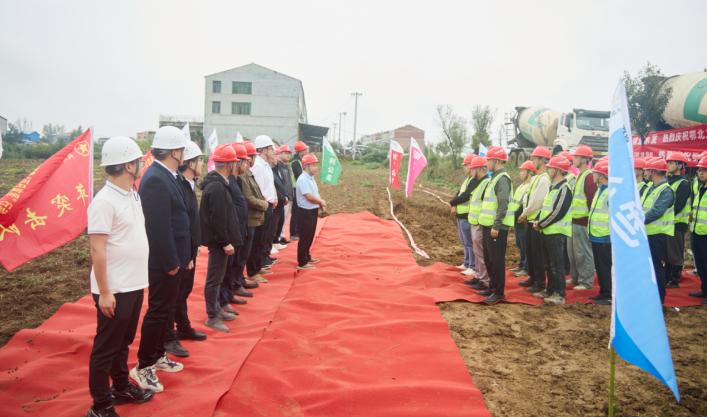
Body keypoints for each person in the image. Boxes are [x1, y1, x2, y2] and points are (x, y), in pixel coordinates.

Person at [86, 137, 154, 417]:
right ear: (128, 166)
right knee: (106, 347)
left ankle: (122, 386)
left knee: (123, 341)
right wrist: (105, 292)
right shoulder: (104, 202)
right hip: (114, 288)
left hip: (134, 283)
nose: (141, 165)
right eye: (138, 161)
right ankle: (100, 405)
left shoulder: (131, 194)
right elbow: (97, 249)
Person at [131, 126, 189, 393]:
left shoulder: (167, 175)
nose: (184, 154)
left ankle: (156, 355)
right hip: (164, 262)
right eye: (182, 149)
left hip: (173, 258)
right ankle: (144, 365)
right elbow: (157, 227)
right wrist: (170, 262)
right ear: (174, 151)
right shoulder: (156, 178)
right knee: (158, 311)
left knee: (165, 311)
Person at [164, 141, 207, 359]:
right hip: (180, 250)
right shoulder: (179, 186)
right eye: (200, 161)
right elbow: (180, 223)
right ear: (190, 163)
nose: (202, 165)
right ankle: (168, 336)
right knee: (174, 294)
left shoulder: (190, 184)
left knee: (184, 291)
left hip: (189, 248)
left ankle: (183, 326)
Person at [199, 144, 243, 332]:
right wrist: (225, 242)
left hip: (221, 241)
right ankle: (212, 315)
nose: (236, 165)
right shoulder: (217, 187)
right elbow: (217, 218)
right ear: (229, 165)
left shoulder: (220, 183)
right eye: (235, 162)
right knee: (214, 279)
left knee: (219, 277)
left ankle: (217, 308)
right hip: (219, 242)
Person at [533, 156, 573, 305]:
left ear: (557, 170)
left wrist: (541, 224)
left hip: (556, 232)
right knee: (549, 264)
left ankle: (559, 294)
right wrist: (539, 221)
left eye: (551, 168)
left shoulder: (564, 188)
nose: (548, 169)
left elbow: (558, 212)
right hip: (547, 231)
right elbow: (546, 208)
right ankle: (550, 290)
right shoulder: (553, 187)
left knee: (557, 265)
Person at [219, 143, 253, 315]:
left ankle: (230, 292)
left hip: (239, 229)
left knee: (235, 264)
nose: (248, 164)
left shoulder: (237, 180)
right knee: (225, 270)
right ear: (235, 163)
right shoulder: (227, 182)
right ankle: (223, 299)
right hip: (231, 233)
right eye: (245, 161)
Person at [477, 146, 513, 305]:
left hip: (496, 228)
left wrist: (496, 226)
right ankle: (492, 287)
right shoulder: (494, 178)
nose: (487, 163)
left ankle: (498, 292)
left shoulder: (502, 179)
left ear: (497, 161)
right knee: (489, 259)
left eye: (489, 160)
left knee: (497, 261)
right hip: (488, 226)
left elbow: (503, 204)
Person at [641, 157, 675, 304]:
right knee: (648, 268)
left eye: (647, 170)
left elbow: (657, 211)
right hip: (647, 233)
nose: (645, 173)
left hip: (658, 235)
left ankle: (659, 300)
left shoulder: (666, 191)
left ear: (654, 172)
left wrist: (638, 220)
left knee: (657, 268)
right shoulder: (650, 187)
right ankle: (649, 297)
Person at [518, 146, 552, 292]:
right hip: (530, 220)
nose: (532, 161)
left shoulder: (544, 179)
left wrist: (524, 213)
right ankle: (532, 277)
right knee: (530, 252)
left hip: (536, 221)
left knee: (537, 254)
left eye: (534, 159)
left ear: (542, 160)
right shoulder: (537, 178)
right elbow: (528, 197)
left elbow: (537, 201)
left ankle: (539, 282)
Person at [567, 145, 597, 290]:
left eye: (577, 156)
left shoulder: (589, 177)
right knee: (573, 253)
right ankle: (575, 277)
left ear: (585, 159)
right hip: (574, 221)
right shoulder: (580, 175)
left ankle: (586, 281)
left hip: (583, 222)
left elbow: (592, 201)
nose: (574, 159)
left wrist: (589, 222)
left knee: (583, 253)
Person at [241, 141, 271, 283]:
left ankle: (256, 268)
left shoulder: (249, 173)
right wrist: (264, 204)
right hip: (251, 217)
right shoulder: (243, 176)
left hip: (257, 215)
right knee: (250, 248)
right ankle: (252, 272)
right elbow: (248, 198)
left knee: (258, 243)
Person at [249, 135, 278, 275]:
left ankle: (260, 263)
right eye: (271, 148)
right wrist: (266, 202)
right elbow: (258, 189)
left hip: (269, 205)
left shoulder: (266, 165)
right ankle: (255, 268)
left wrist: (274, 198)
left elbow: (269, 185)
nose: (273, 151)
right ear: (264, 149)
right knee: (259, 239)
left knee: (265, 236)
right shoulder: (258, 166)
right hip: (263, 207)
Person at [295, 154, 326, 270]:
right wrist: (321, 201)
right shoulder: (303, 179)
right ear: (306, 166)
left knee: (310, 236)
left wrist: (319, 203)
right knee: (305, 237)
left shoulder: (310, 178)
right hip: (305, 212)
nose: (316, 167)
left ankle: (307, 256)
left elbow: (314, 194)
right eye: (314, 165)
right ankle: (302, 262)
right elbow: (308, 196)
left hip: (311, 210)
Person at [449, 153, 478, 277]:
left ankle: (472, 266)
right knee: (464, 241)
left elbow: (465, 196)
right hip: (460, 215)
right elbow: (459, 193)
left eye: (465, 165)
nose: (464, 167)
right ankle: (466, 263)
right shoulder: (467, 180)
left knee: (469, 242)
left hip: (467, 215)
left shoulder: (474, 180)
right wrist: (454, 204)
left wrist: (452, 202)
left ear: (471, 166)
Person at [665, 152, 691, 288]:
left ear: (680, 165)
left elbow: (678, 206)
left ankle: (674, 279)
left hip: (677, 223)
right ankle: (667, 277)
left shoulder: (683, 184)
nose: (668, 165)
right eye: (668, 162)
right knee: (668, 253)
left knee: (675, 253)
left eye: (671, 163)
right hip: (667, 223)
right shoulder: (668, 181)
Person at [587, 160, 611, 305]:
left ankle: (608, 294)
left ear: (601, 175)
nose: (593, 176)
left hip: (605, 237)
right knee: (600, 267)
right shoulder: (600, 190)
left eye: (595, 173)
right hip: (596, 235)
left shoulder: (610, 192)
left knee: (605, 267)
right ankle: (603, 292)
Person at [465, 156, 491, 291]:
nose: (471, 171)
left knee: (481, 253)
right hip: (475, 222)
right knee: (477, 252)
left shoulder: (486, 183)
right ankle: (479, 276)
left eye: (473, 168)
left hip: (480, 223)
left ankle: (484, 280)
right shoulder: (479, 182)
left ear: (479, 169)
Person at [507, 160, 536, 277]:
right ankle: (521, 264)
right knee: (519, 243)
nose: (520, 173)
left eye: (523, 171)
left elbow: (524, 205)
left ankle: (526, 267)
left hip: (522, 219)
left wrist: (520, 215)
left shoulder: (530, 186)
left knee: (525, 244)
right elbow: (514, 203)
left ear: (529, 172)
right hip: (516, 219)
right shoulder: (521, 186)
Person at [688, 156, 707, 305]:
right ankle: (704, 289)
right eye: (699, 170)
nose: (700, 173)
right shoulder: (701, 188)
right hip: (696, 231)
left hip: (705, 233)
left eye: (704, 170)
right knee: (700, 263)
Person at [289, 140, 309, 241]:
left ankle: (297, 231)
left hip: (298, 188)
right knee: (296, 211)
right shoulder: (295, 162)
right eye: (305, 149)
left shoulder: (299, 161)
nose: (307, 151)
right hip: (295, 189)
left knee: (298, 210)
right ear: (300, 151)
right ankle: (294, 233)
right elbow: (299, 176)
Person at [276, 144, 295, 245]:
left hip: (289, 195)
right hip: (284, 197)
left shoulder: (287, 166)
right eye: (286, 153)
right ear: (280, 154)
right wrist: (284, 195)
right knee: (281, 218)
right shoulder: (278, 166)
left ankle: (282, 235)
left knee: (286, 218)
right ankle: (278, 237)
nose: (288, 155)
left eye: (289, 153)